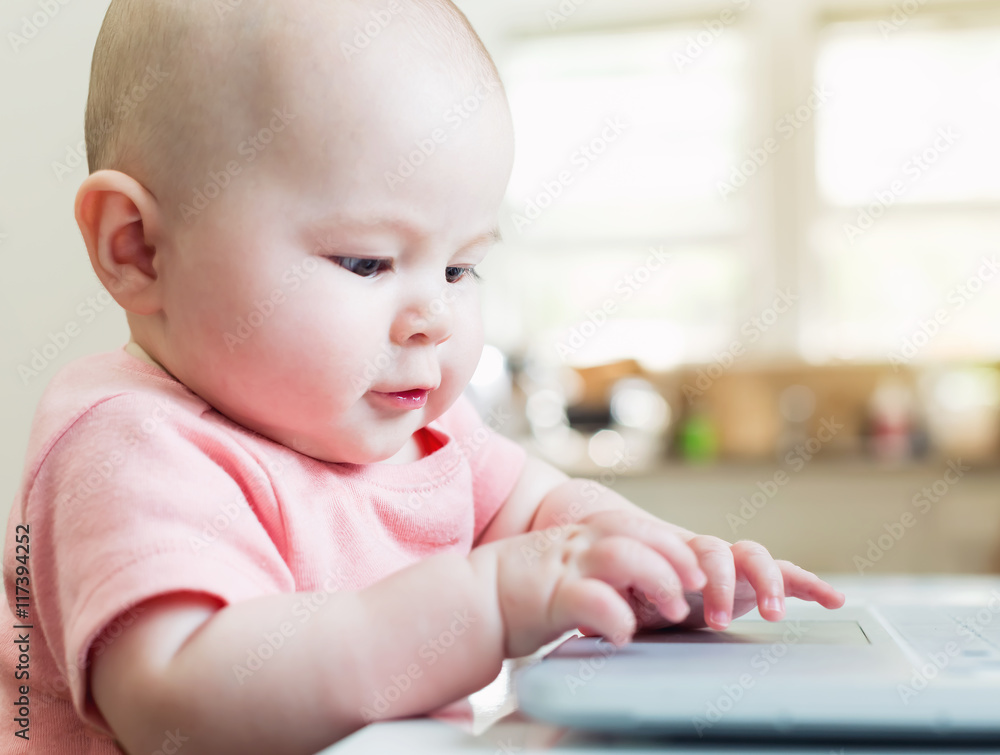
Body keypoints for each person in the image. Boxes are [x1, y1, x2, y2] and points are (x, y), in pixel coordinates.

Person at [0, 1, 845, 753]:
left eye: (460, 268)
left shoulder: (419, 435)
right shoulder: (126, 446)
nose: (433, 319)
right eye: (367, 261)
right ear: (137, 249)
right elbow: (176, 707)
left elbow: (548, 511)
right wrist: (484, 604)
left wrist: (658, 561)